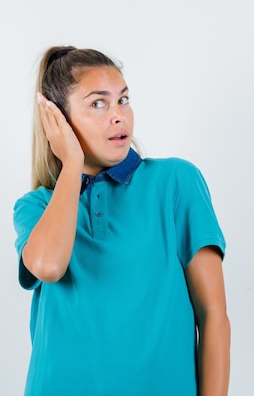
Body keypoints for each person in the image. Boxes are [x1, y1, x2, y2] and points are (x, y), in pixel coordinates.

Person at [13, 45, 230, 396]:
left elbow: (214, 315)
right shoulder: (36, 207)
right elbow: (49, 266)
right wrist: (71, 164)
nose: (119, 116)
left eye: (123, 100)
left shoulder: (175, 182)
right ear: (58, 121)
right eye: (98, 103)